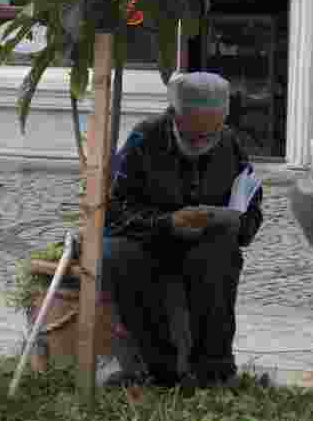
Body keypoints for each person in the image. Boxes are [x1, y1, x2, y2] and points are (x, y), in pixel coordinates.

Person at [101, 72, 263, 390]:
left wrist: (235, 222)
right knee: (116, 255)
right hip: (148, 241)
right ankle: (159, 371)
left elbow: (251, 205)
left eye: (210, 135)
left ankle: (213, 371)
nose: (202, 143)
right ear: (175, 116)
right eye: (194, 136)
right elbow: (114, 210)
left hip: (203, 245)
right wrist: (167, 223)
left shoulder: (229, 143)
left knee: (220, 254)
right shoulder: (144, 139)